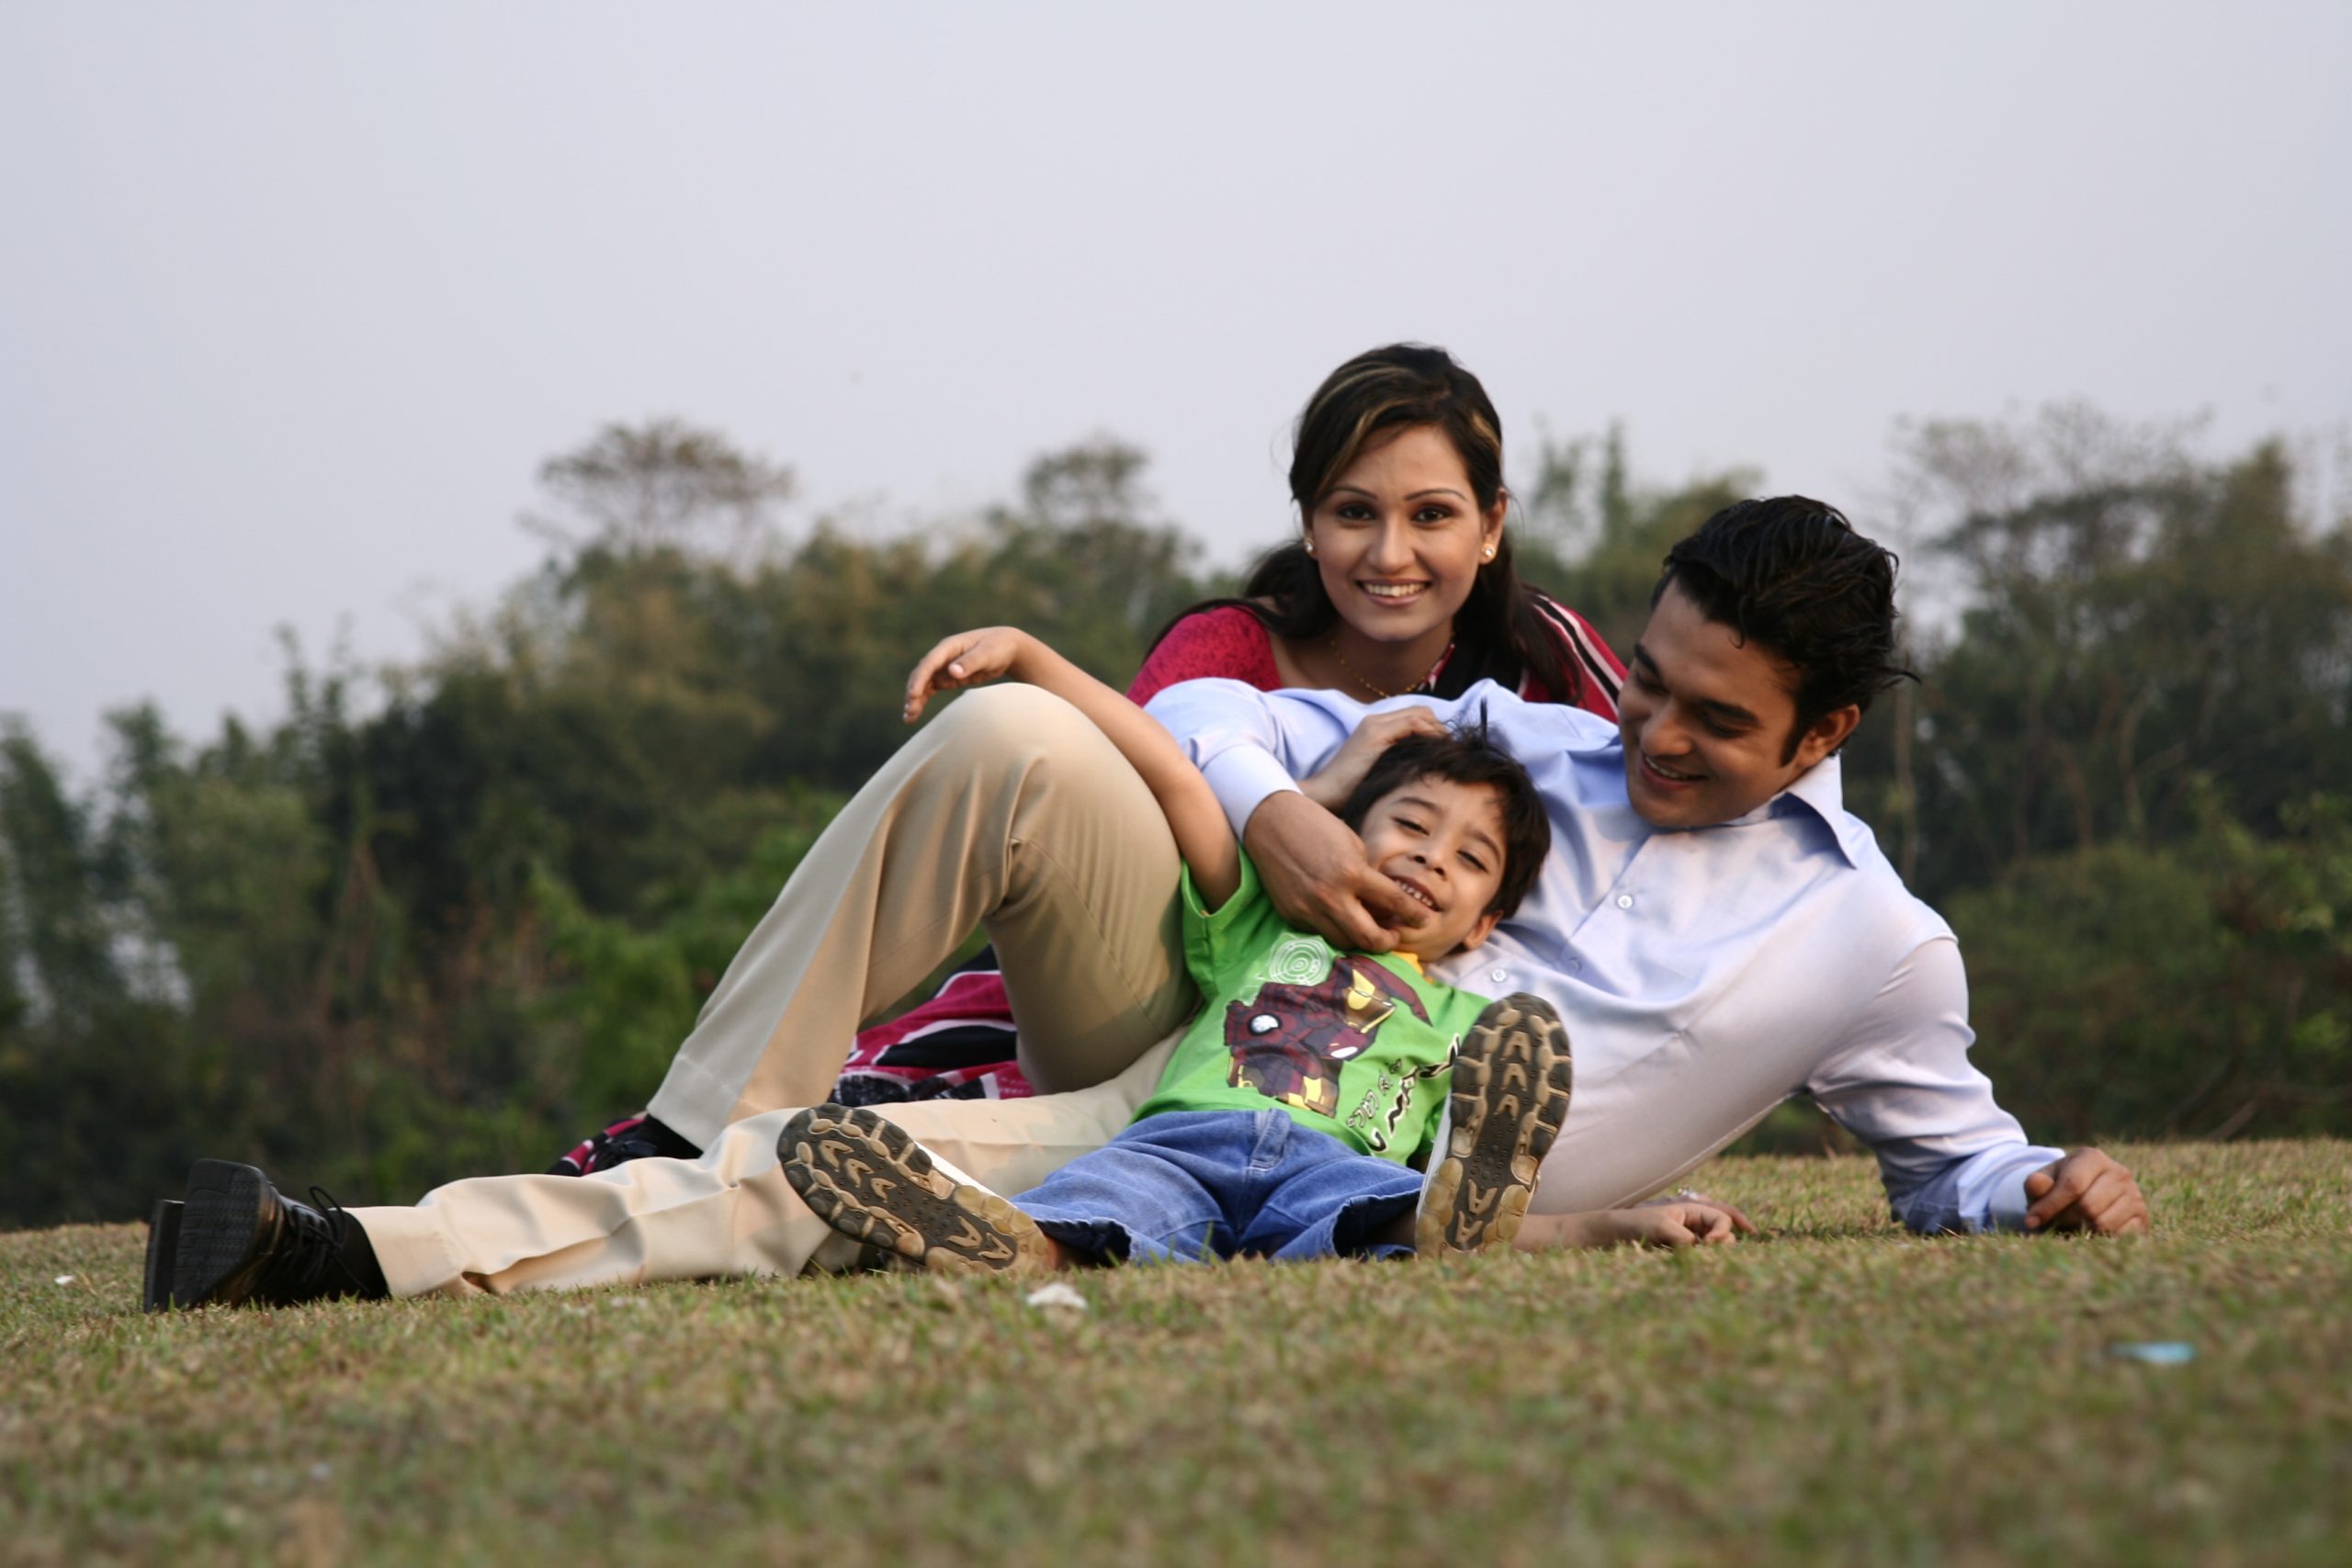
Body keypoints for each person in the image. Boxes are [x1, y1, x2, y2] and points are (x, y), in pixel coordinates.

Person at [140, 495, 2148, 1315]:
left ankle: (353, 1257)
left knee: (825, 1187)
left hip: (1379, 1168)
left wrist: (2043, 1184)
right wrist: (1285, 820)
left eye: (1716, 722)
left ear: (1825, 735)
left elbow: (1948, 1158)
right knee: (1019, 733)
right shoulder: (1512, 734)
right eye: (1653, 681)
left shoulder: (1873, 943)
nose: (1655, 735)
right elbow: (1208, 718)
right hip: (1213, 1051)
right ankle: (688, 1113)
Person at [550, 342, 1625, 1172]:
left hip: (1387, 1063)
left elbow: (1664, 813)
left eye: (1431, 516)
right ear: (1308, 523)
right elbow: (1140, 820)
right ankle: (703, 1125)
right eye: (1354, 513)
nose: (1390, 554)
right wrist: (1296, 801)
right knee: (1015, 733)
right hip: (1159, 1000)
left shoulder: (1543, 666)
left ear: (1490, 524)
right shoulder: (1232, 647)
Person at [775, 626, 1730, 1275]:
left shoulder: (1475, 1023)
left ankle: (1454, 1231)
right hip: (1177, 1141)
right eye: (1411, 824)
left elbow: (1520, 1148)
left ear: (1485, 924)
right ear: (1348, 831)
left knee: (1405, 1210)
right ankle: (1000, 1242)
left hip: (1334, 1162)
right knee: (1096, 1206)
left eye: (1470, 859)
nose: (1432, 858)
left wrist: (1623, 1216)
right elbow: (1171, 775)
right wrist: (1033, 660)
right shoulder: (1261, 918)